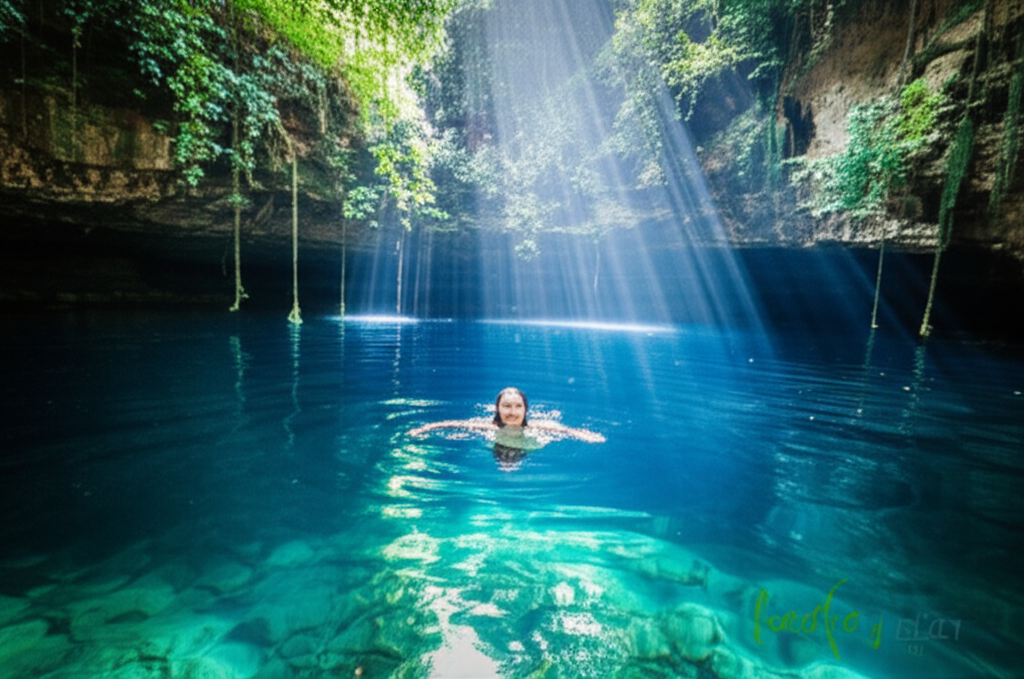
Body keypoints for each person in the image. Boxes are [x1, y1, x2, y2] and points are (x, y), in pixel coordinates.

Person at [408, 387, 606, 444]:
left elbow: (565, 430)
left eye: (518, 406)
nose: (512, 412)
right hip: (499, 444)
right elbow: (453, 424)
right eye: (507, 406)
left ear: (526, 410)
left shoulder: (537, 427)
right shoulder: (489, 427)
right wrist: (426, 428)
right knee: (504, 462)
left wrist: (585, 435)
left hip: (524, 446)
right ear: (497, 410)